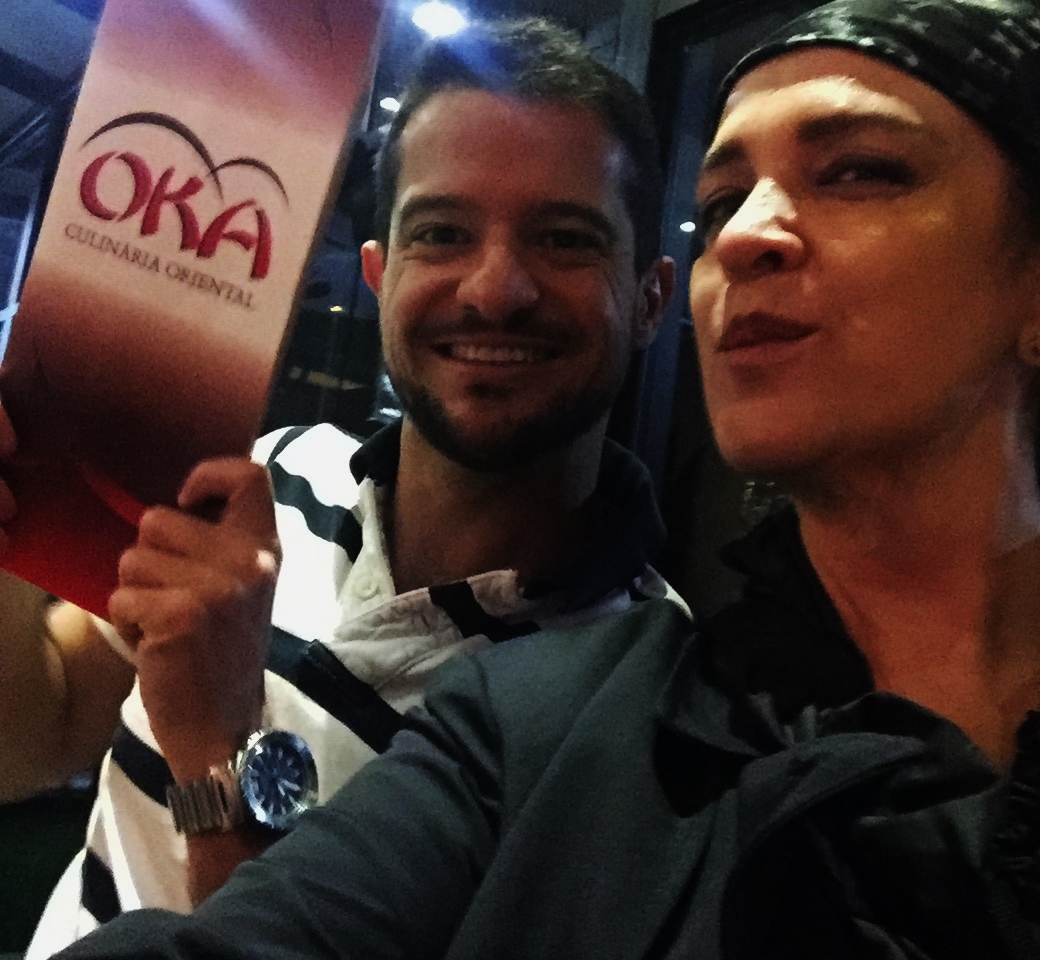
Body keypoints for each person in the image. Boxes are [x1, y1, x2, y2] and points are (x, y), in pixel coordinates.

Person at [48, 0, 1040, 957]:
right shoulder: (542, 713)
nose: (744, 236)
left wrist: (215, 751)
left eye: (858, 169)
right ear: (377, 275)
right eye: (724, 197)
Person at [0, 16, 684, 956]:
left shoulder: (652, 702)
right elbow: (30, 739)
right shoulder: (270, 476)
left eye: (565, 239)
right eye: (441, 233)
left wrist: (216, 756)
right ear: (379, 272)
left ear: (650, 298)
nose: (494, 289)